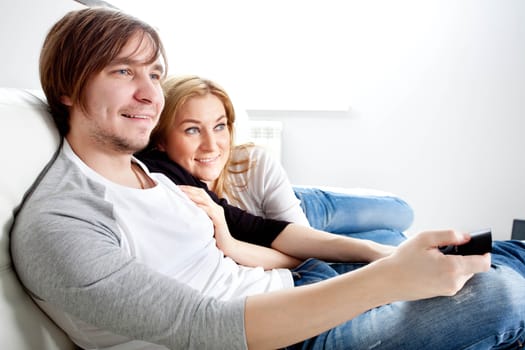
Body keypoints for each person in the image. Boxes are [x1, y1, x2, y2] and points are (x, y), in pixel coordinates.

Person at [9, 6, 525, 350]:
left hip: (289, 289)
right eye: (123, 72)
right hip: (277, 337)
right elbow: (207, 326)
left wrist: (377, 264)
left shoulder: (149, 174)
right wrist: (388, 279)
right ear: (67, 90)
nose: (150, 94)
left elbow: (239, 241)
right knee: (500, 297)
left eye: (154, 74)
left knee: (448, 254)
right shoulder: (61, 222)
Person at [137, 75, 411, 246]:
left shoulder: (254, 163)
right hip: (275, 231)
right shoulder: (163, 183)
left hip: (292, 208)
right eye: (192, 130)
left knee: (400, 213)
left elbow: (299, 238)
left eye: (219, 126)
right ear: (160, 139)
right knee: (392, 240)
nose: (212, 145)